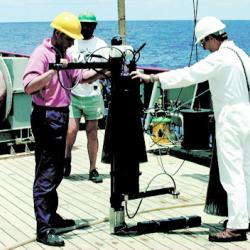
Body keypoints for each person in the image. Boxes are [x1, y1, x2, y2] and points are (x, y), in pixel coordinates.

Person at [132, 16, 250, 242]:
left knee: (232, 173)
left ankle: (236, 227)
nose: (205, 48)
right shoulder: (242, 55)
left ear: (211, 38)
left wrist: (152, 78)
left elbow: (189, 75)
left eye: (204, 44)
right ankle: (244, 218)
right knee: (246, 171)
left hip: (230, 119)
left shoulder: (219, 58)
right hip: (246, 115)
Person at [23, 12, 106, 247]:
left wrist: (104, 71)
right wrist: (53, 71)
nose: (72, 43)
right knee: (46, 173)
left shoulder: (67, 53)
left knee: (57, 170)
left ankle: (53, 217)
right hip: (46, 116)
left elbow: (81, 77)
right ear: (58, 34)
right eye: (69, 39)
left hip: (61, 113)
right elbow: (29, 86)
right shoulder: (42, 54)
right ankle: (44, 228)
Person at [64, 11, 108, 183]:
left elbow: (108, 70)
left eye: (90, 25)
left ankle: (93, 168)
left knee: (92, 132)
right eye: (83, 24)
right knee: (71, 130)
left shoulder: (101, 45)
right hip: (74, 93)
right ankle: (66, 157)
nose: (86, 28)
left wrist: (93, 77)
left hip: (94, 94)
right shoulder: (71, 44)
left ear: (95, 26)